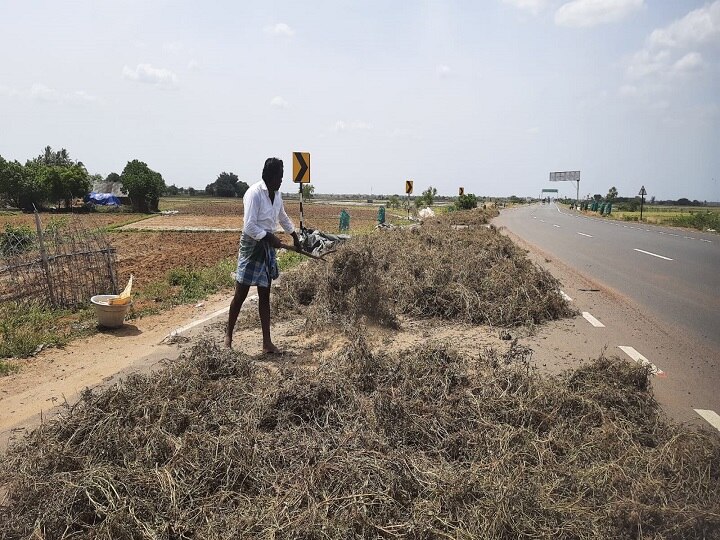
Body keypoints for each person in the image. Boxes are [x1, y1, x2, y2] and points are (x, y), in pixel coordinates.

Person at [225, 157, 301, 352]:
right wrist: (268, 237)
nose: (282, 180)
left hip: (267, 246)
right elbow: (249, 225)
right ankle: (228, 338)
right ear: (270, 176)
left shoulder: (277, 194)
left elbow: (282, 216)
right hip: (252, 246)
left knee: (264, 295)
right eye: (280, 176)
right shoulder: (254, 194)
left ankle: (267, 343)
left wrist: (294, 235)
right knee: (240, 294)